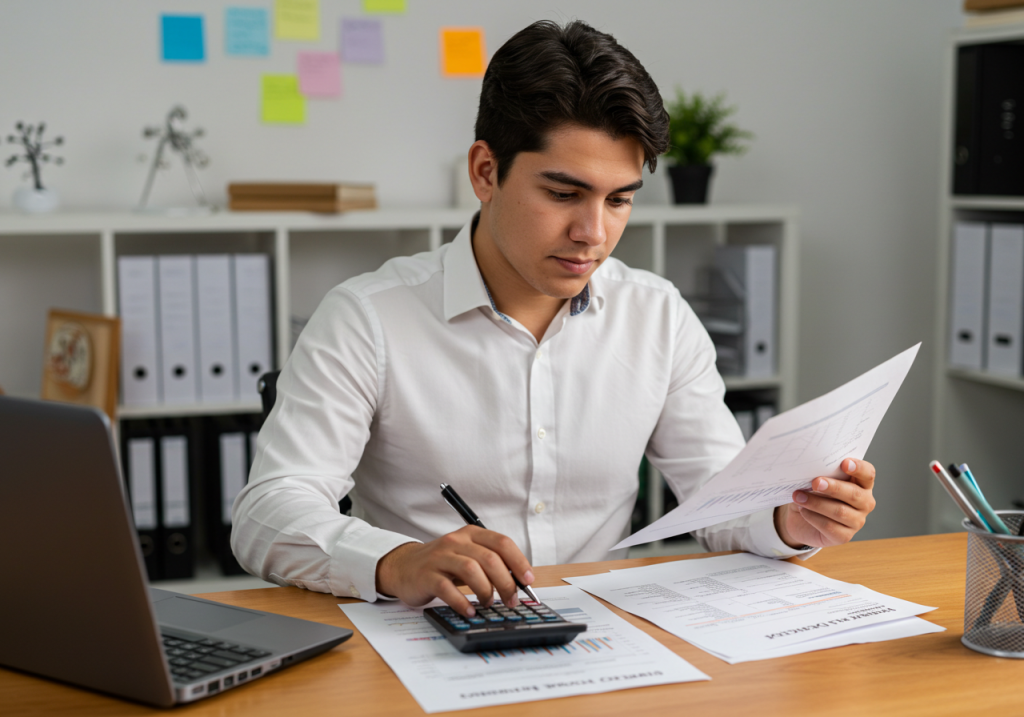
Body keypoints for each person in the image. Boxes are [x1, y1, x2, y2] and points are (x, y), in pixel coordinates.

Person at [232, 19, 877, 618]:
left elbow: (722, 502)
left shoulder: (658, 316)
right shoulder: (367, 318)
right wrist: (397, 562)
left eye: (619, 200)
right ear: (486, 172)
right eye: (563, 194)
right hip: (428, 639)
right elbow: (266, 514)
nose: (592, 233)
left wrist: (794, 521)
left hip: (604, 639)